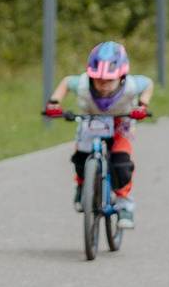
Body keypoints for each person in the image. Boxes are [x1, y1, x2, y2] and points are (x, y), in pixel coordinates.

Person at [42, 40, 153, 228]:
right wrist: (54, 102)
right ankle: (82, 186)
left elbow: (148, 84)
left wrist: (142, 106)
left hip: (121, 121)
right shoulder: (84, 84)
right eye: (98, 80)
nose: (103, 86)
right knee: (80, 157)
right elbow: (67, 82)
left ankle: (125, 204)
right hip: (91, 119)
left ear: (122, 76)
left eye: (110, 80)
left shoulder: (132, 86)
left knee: (122, 161)